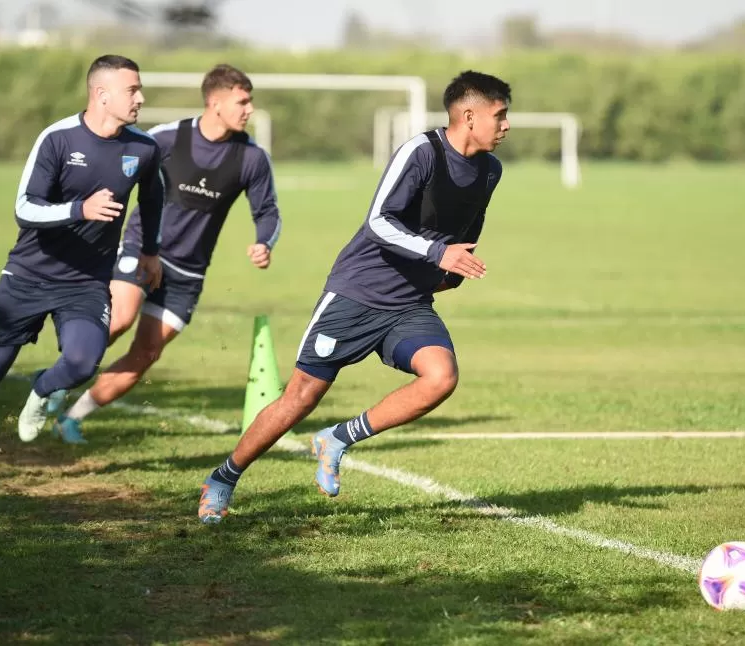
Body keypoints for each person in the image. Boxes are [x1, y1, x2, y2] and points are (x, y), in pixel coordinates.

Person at [197, 70, 511, 524]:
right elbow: (379, 222)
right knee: (301, 396)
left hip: (409, 304)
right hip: (358, 292)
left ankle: (338, 438)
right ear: (468, 115)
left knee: (440, 378)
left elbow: (468, 226)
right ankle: (223, 478)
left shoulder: (490, 170)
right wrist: (437, 252)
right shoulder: (421, 152)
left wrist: (452, 270)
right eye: (498, 115)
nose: (505, 125)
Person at [0, 54, 164, 491]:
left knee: (82, 361)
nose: (141, 98)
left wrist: (150, 251)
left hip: (87, 283)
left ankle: (41, 389)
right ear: (101, 93)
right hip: (28, 277)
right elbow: (24, 207)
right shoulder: (57, 138)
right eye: (133, 90)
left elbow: (152, 198)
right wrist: (80, 209)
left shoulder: (144, 148)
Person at [51, 64, 282, 444]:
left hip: (189, 272)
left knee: (146, 354)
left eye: (250, 101)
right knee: (120, 318)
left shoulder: (252, 159)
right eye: (242, 101)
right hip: (143, 249)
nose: (249, 109)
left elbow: (268, 211)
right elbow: (118, 163)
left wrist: (264, 242)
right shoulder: (167, 138)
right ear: (215, 102)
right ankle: (55, 384)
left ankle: (71, 418)